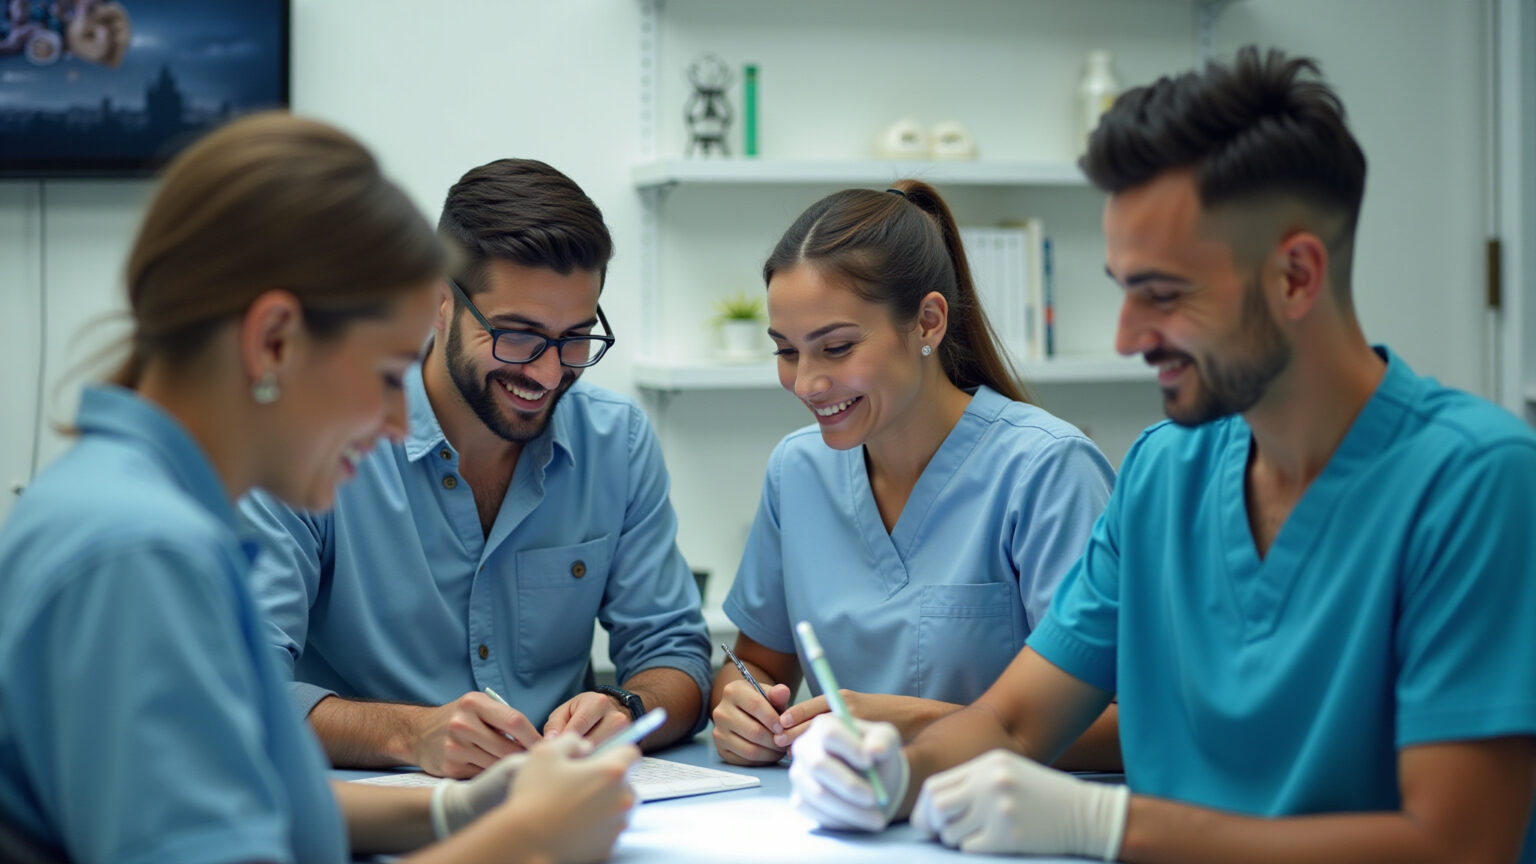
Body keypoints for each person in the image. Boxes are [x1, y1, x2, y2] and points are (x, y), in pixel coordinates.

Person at [786, 46, 1536, 863]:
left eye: (1164, 294)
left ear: (1294, 277)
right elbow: (1012, 720)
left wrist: (1109, 826)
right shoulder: (1164, 474)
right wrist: (893, 774)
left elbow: (1460, 845)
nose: (1128, 337)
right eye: (1123, 288)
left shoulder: (1478, 482)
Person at [0, 112, 637, 864]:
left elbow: (261, 806)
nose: (400, 421)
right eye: (383, 374)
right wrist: (522, 841)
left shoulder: (148, 510)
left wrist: (459, 811)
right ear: (274, 341)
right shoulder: (139, 554)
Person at [240, 157, 712, 779]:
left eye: (575, 337)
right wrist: (411, 736)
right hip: (372, 821)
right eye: (518, 335)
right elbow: (241, 684)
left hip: (563, 815)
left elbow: (675, 654)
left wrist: (628, 707)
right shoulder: (312, 438)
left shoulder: (615, 440)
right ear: (439, 302)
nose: (549, 374)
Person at [709, 179, 1119, 770]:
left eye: (837, 347)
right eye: (787, 351)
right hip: (848, 819)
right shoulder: (797, 471)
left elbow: (1134, 723)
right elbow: (758, 664)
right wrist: (739, 705)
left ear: (928, 322)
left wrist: (927, 726)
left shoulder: (1047, 469)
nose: (805, 384)